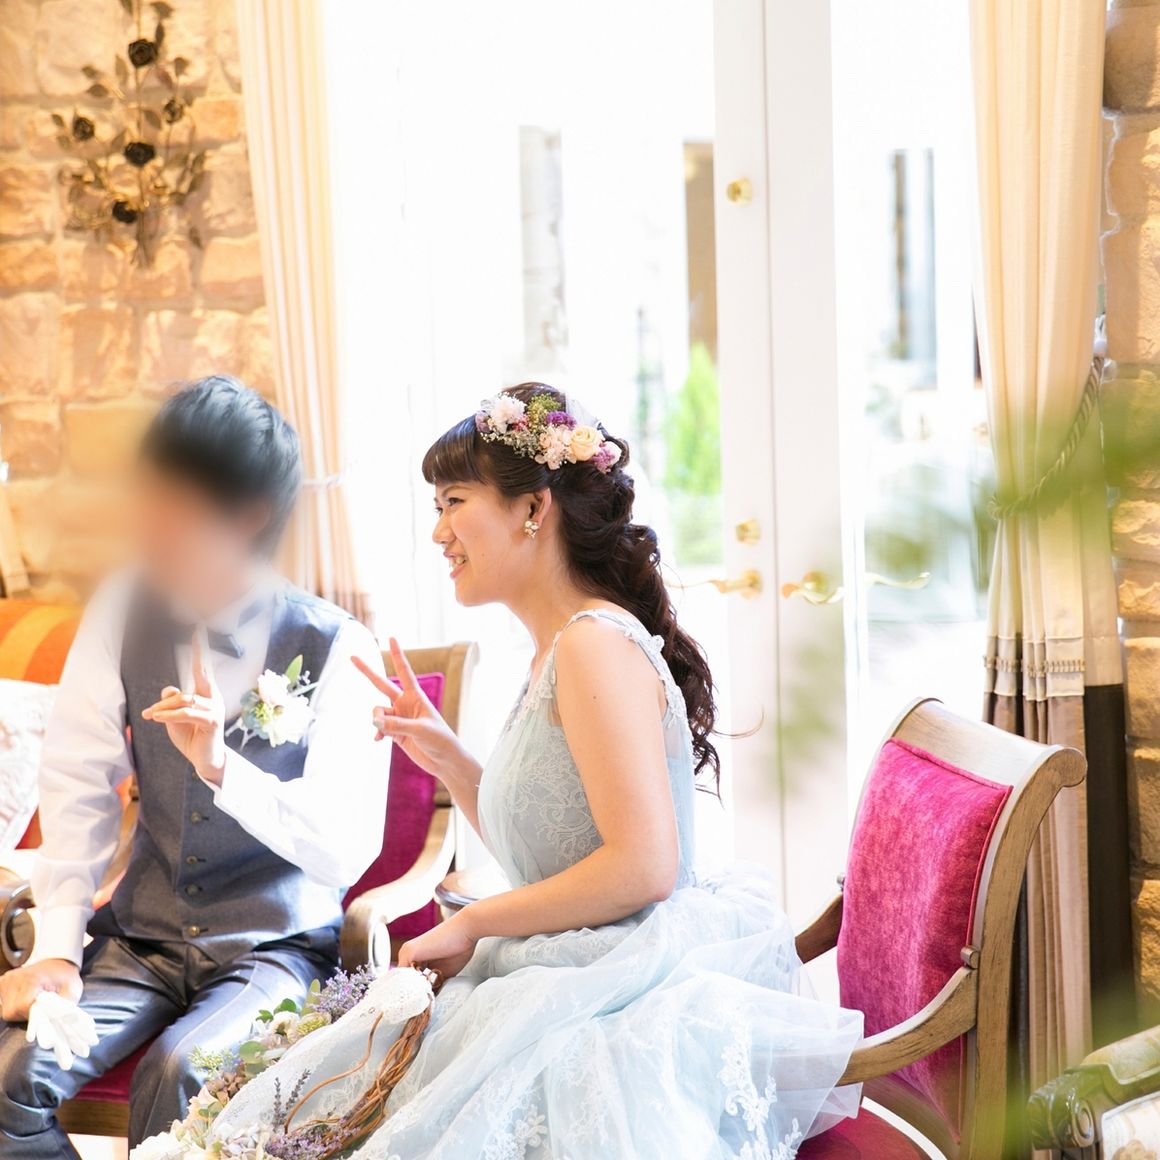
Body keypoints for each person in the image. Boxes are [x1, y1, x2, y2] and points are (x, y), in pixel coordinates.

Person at [189, 383, 863, 1159]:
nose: (438, 531)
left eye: (453, 502)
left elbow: (643, 867)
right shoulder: (557, 646)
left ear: (534, 509)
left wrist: (473, 921)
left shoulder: (592, 645)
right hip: (575, 957)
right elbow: (560, 844)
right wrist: (446, 755)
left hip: (616, 979)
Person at [0, 376, 387, 1156]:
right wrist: (56, 949)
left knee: (181, 1073)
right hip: (140, 939)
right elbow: (77, 779)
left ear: (248, 515)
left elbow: (345, 850)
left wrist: (222, 769)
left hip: (276, 948)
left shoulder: (340, 646)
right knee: (11, 1074)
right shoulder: (122, 610)